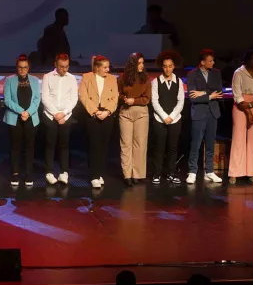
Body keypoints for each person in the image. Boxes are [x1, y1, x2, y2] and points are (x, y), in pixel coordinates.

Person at [229, 49, 253, 184]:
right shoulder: (238, 73)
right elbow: (237, 94)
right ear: (246, 60)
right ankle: (235, 172)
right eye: (252, 58)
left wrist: (251, 107)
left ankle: (251, 172)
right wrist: (247, 111)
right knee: (238, 138)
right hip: (241, 106)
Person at [186, 49, 224, 184]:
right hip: (199, 112)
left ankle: (210, 171)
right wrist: (209, 95)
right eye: (210, 60)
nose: (213, 63)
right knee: (195, 143)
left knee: (210, 143)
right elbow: (192, 96)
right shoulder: (192, 74)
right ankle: (192, 171)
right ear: (202, 62)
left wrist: (202, 93)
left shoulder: (216, 73)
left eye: (213, 60)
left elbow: (218, 92)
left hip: (213, 112)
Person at [79, 55, 118, 188]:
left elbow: (115, 98)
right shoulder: (87, 77)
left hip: (107, 114)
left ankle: (100, 173)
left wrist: (107, 112)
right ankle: (94, 175)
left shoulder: (112, 79)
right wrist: (95, 111)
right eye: (105, 67)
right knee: (94, 146)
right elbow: (83, 96)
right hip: (93, 114)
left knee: (104, 146)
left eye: (108, 67)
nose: (108, 69)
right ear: (97, 67)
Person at [3, 54, 41, 187]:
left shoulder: (35, 80)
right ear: (16, 67)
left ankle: (28, 173)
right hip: (15, 118)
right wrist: (21, 112)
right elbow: (7, 100)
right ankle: (15, 173)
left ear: (28, 67)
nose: (23, 70)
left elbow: (37, 99)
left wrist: (28, 112)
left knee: (29, 147)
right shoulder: (9, 80)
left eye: (25, 67)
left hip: (30, 118)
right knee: (15, 147)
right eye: (20, 67)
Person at [41, 53, 78, 185]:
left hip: (66, 117)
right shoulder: (47, 77)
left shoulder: (72, 78)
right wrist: (56, 114)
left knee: (64, 145)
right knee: (50, 144)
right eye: (62, 66)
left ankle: (64, 172)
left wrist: (64, 114)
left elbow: (74, 98)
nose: (64, 69)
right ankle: (49, 172)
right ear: (55, 65)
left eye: (66, 66)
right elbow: (45, 97)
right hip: (50, 116)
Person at [150, 51, 185, 184]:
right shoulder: (156, 82)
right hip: (160, 120)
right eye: (165, 66)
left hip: (175, 120)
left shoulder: (179, 81)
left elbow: (180, 101)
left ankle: (171, 172)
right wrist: (164, 116)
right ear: (162, 67)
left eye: (170, 66)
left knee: (172, 148)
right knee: (159, 148)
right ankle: (157, 173)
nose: (167, 69)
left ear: (173, 66)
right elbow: (155, 101)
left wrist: (172, 116)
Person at [118, 52, 151, 186]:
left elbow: (147, 98)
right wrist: (124, 99)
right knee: (126, 144)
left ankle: (137, 174)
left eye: (143, 63)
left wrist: (134, 100)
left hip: (141, 112)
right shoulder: (122, 78)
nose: (141, 66)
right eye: (139, 63)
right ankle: (127, 175)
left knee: (140, 144)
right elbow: (118, 94)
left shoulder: (146, 78)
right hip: (126, 112)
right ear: (133, 64)